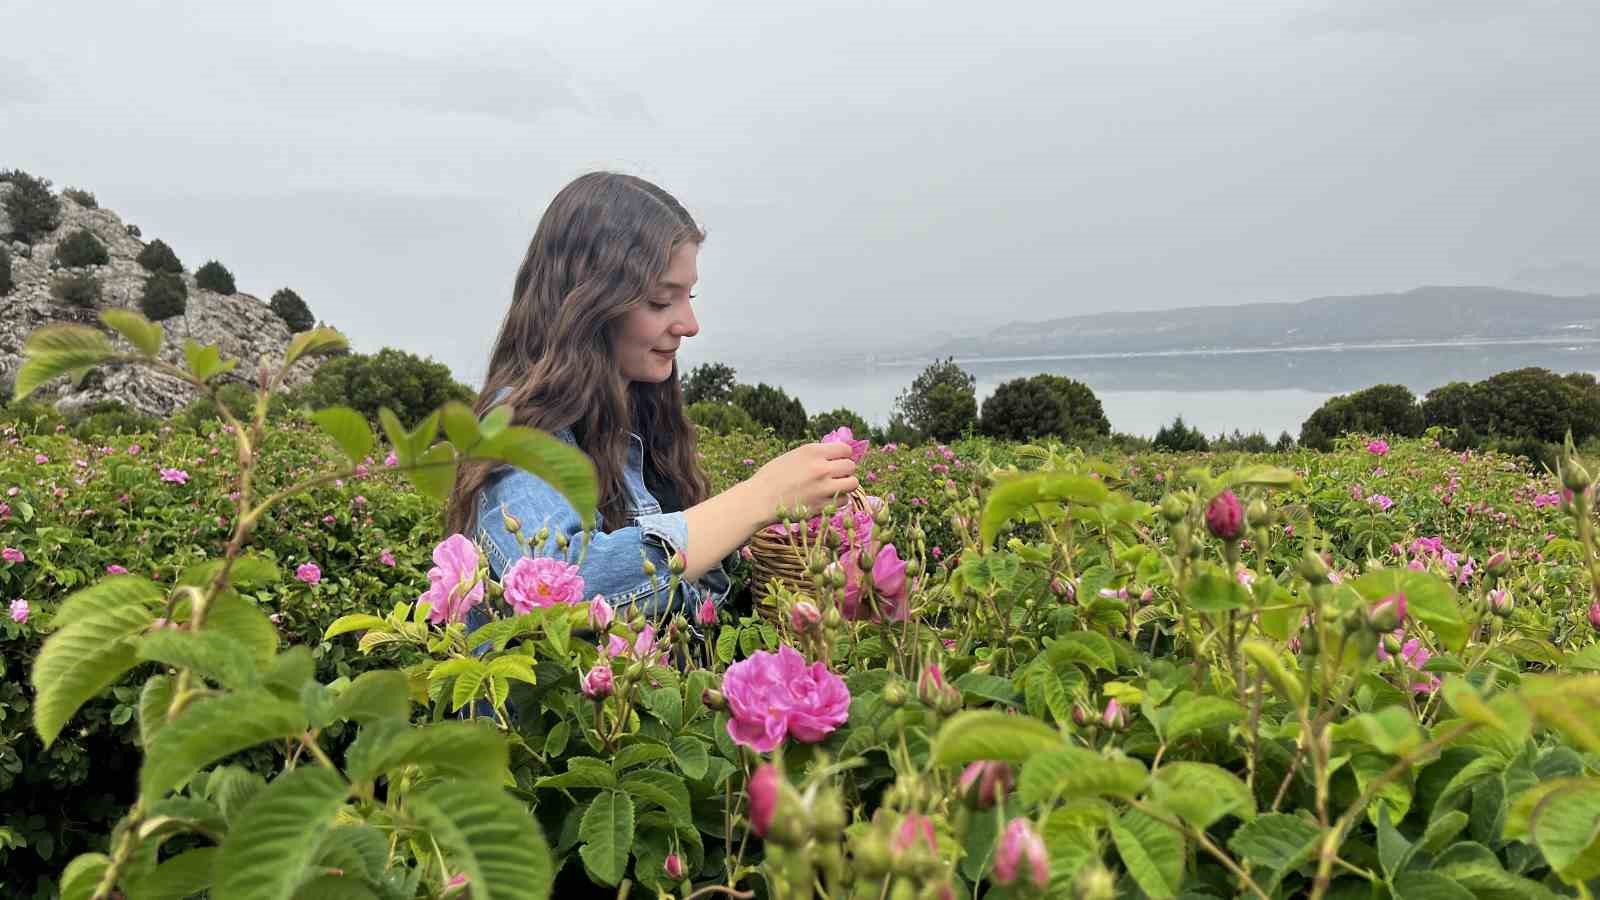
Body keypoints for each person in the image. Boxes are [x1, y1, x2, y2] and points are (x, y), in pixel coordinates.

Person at [443, 172, 860, 621]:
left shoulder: (636, 418)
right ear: (587, 306)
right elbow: (568, 585)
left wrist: (758, 540)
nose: (690, 323)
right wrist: (760, 498)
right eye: (662, 301)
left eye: (689, 295)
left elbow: (674, 600)